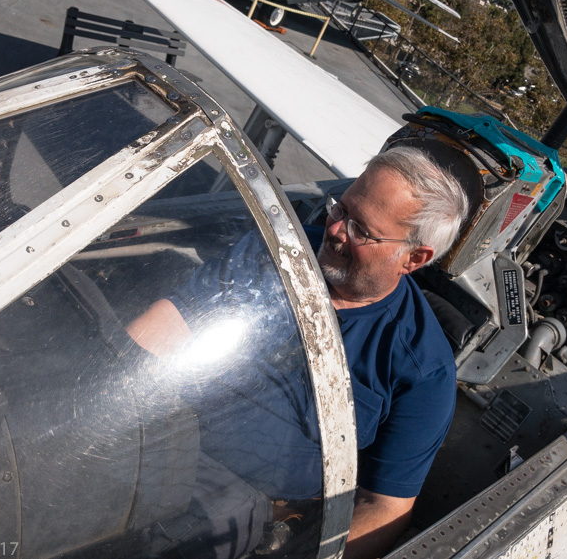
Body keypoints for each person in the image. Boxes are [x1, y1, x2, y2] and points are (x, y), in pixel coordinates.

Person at [127, 145, 468, 559]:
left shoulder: (423, 368)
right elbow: (173, 321)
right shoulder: (279, 249)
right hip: (160, 432)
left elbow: (386, 507)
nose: (337, 229)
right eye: (341, 209)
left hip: (236, 507)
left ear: (414, 258)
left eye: (362, 230)